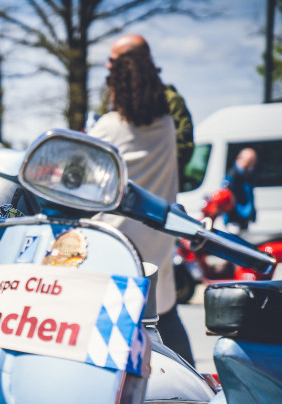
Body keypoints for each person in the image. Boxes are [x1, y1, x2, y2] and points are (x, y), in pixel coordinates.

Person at [90, 47, 195, 366]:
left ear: (116, 86)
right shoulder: (165, 127)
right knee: (165, 320)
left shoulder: (109, 127)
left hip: (116, 245)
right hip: (157, 240)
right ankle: (194, 386)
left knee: (111, 342)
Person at [105, 34, 194, 188]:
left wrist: (146, 171)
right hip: (112, 191)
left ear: (132, 61)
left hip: (154, 195)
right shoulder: (111, 97)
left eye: (113, 60)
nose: (107, 65)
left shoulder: (170, 101)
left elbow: (182, 149)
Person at [222, 147, 257, 231]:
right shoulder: (231, 176)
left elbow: (250, 196)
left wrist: (252, 213)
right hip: (234, 219)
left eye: (252, 163)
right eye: (248, 162)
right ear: (239, 159)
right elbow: (227, 199)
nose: (250, 166)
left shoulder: (248, 174)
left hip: (245, 218)